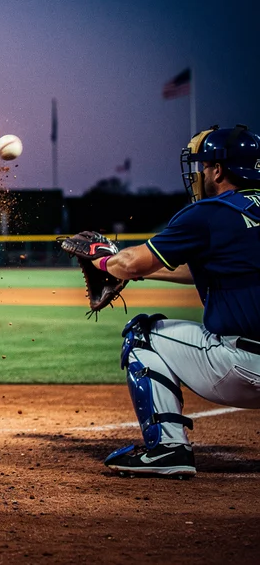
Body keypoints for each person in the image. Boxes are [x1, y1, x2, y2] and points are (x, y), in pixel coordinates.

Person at [93, 125, 260, 478]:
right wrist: (140, 273)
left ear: (218, 169)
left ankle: (168, 449)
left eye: (203, 166)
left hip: (244, 367)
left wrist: (106, 261)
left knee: (142, 334)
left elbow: (131, 261)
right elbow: (202, 267)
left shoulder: (211, 213)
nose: (200, 174)